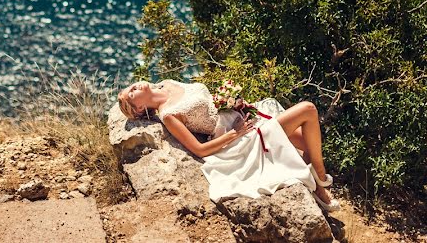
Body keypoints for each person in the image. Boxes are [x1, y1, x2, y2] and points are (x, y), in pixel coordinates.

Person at [118, 79, 339, 211]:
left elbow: (207, 101)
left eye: (131, 87)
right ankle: (319, 177)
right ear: (138, 109)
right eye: (132, 94)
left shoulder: (168, 83)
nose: (134, 87)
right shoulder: (168, 115)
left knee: (310, 141)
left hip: (243, 114)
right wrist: (236, 132)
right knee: (308, 110)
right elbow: (200, 149)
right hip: (238, 136)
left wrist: (231, 101)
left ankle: (317, 190)